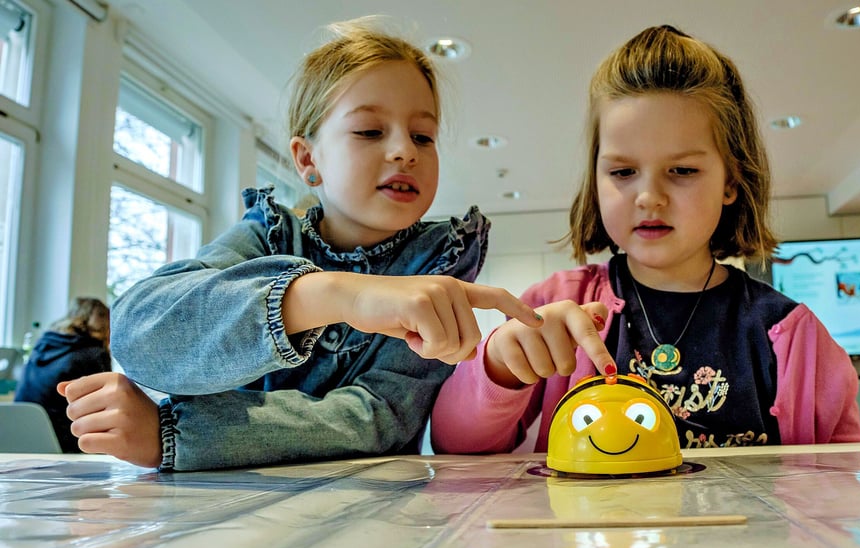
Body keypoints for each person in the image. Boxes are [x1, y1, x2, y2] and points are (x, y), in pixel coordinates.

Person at [58, 18, 540, 471]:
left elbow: (383, 416)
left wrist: (174, 433)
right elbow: (140, 333)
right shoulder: (269, 234)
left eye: (423, 136)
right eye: (370, 131)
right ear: (308, 159)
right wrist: (332, 295)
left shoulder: (439, 259)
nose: (404, 151)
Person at [431, 25, 860, 454]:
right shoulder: (552, 306)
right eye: (622, 172)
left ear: (731, 181)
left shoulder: (793, 338)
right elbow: (455, 446)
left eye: (683, 171)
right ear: (596, 180)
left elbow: (837, 491)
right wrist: (499, 367)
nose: (650, 197)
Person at [16, 297, 111, 453]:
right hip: (68, 444)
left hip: (23, 438)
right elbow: (102, 412)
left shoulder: (41, 347)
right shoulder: (93, 354)